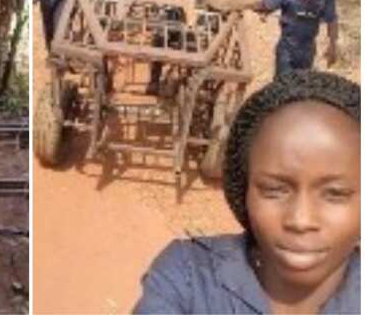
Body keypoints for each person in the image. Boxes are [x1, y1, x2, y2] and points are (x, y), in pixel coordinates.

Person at [135, 70, 360, 314]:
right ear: (244, 190)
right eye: (274, 190)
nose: (300, 220)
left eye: (335, 194)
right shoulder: (189, 278)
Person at [147, 0, 210, 95]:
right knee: (158, 40)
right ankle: (154, 81)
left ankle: (188, 83)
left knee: (191, 47)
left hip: (188, 21)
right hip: (170, 17)